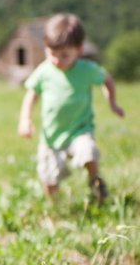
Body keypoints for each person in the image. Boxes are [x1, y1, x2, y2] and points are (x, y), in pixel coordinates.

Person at [18, 13, 124, 203]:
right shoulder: (44, 71)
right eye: (52, 54)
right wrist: (25, 120)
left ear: (79, 49)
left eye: (64, 55)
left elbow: (106, 79)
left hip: (80, 130)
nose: (57, 60)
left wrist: (112, 102)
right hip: (51, 136)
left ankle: (94, 180)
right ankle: (55, 205)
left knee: (89, 151)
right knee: (49, 177)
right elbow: (31, 95)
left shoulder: (86, 69)